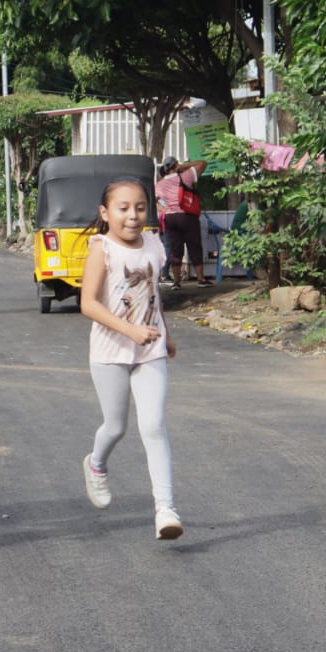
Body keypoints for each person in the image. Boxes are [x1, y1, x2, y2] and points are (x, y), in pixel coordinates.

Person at [78, 179, 183, 540]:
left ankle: (165, 508)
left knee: (153, 426)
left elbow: (152, 293)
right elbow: (88, 304)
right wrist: (129, 330)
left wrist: (164, 332)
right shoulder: (102, 249)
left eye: (140, 207)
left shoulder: (154, 243)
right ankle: (96, 463)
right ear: (105, 213)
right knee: (116, 426)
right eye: (123, 208)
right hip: (110, 352)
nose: (133, 216)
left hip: (150, 350)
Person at [154, 156, 211, 288]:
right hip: (187, 216)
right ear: (176, 166)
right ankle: (201, 280)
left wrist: (164, 209)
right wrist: (184, 166)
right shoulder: (185, 177)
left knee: (175, 250)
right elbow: (203, 163)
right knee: (195, 246)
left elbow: (155, 200)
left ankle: (176, 282)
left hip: (170, 218)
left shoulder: (160, 184)